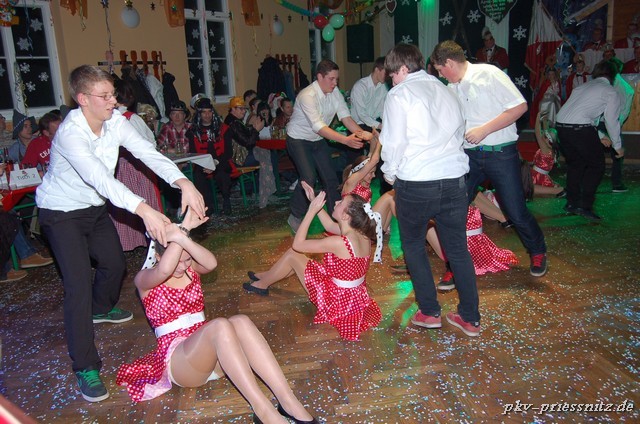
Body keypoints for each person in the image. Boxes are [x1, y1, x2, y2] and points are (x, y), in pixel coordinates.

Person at [36, 65, 205, 403]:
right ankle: (85, 366)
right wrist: (145, 210)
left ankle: (100, 308)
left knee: (115, 265)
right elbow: (102, 179)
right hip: (61, 212)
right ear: (83, 99)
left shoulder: (115, 122)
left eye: (113, 94)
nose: (113, 101)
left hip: (94, 209)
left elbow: (147, 153)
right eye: (105, 96)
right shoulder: (70, 134)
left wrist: (183, 181)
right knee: (78, 285)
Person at [116, 210, 317, 424]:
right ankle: (263, 410)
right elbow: (164, 270)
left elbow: (211, 264)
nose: (183, 266)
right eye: (178, 262)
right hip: (181, 362)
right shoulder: (145, 279)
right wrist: (183, 228)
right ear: (158, 256)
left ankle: (288, 401)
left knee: (240, 321)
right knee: (220, 325)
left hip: (214, 355)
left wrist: (183, 237)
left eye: (187, 260)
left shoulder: (190, 269)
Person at [380, 43, 480, 337]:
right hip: (454, 181)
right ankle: (470, 318)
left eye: (392, 76)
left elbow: (394, 142)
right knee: (458, 250)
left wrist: (389, 174)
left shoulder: (399, 94)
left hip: (417, 182)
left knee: (413, 246)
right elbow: (460, 133)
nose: (392, 82)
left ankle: (429, 312)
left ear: (402, 69)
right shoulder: (446, 90)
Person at [432, 40, 548, 277]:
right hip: (469, 156)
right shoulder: (451, 88)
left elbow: (519, 107)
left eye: (440, 69)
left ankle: (538, 251)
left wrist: (484, 130)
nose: (440, 75)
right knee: (453, 211)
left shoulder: (489, 74)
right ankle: (454, 265)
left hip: (501, 154)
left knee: (515, 211)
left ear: (449, 63)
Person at [243, 183, 382, 341]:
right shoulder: (361, 233)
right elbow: (329, 225)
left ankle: (262, 284)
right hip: (353, 298)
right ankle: (267, 276)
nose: (337, 202)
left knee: (293, 254)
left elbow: (298, 245)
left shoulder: (339, 242)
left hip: (335, 300)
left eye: (341, 203)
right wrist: (313, 200)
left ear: (346, 216)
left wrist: (311, 211)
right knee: (296, 258)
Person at [286, 59, 366, 232]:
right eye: (331, 79)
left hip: (317, 140)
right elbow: (319, 127)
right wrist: (345, 140)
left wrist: (363, 134)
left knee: (330, 178)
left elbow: (345, 117)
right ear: (319, 77)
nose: (335, 83)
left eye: (336, 79)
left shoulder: (334, 92)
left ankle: (336, 220)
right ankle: (295, 215)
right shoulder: (307, 96)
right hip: (298, 139)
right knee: (309, 177)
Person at [555, 60, 623, 222]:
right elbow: (611, 120)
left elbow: (578, 114)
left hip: (561, 127)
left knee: (576, 164)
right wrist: (618, 145)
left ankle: (572, 203)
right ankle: (584, 206)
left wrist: (600, 136)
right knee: (597, 166)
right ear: (613, 76)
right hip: (580, 129)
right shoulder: (610, 91)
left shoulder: (582, 87)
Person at [109, 79, 163, 251]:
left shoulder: (113, 119)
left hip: (122, 168)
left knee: (125, 203)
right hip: (134, 167)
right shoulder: (130, 119)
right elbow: (150, 142)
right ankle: (151, 239)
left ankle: (131, 241)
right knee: (142, 201)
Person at [350, 56, 391, 196]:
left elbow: (382, 110)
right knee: (356, 160)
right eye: (385, 72)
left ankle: (385, 189)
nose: (387, 76)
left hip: (373, 123)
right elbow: (361, 114)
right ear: (377, 70)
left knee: (384, 149)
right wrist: (379, 125)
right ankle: (352, 188)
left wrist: (387, 125)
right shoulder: (360, 86)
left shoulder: (383, 87)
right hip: (357, 125)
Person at [601, 58, 634, 193]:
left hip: (601, 122)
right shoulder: (627, 88)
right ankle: (617, 183)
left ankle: (587, 180)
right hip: (614, 122)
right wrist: (617, 125)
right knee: (617, 154)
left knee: (594, 151)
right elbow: (625, 111)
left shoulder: (605, 84)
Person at [185, 97, 223, 215]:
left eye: (209, 112)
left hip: (220, 160)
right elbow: (193, 152)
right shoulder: (193, 131)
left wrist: (215, 163)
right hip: (201, 162)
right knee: (198, 175)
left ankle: (226, 203)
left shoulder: (221, 128)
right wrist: (206, 164)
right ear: (199, 114)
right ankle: (206, 206)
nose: (207, 115)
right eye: (204, 112)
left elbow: (226, 152)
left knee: (223, 173)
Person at [530, 112, 565, 197]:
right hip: (542, 175)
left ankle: (557, 191)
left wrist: (538, 118)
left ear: (547, 140)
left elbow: (537, 133)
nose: (543, 134)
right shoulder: (552, 149)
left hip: (537, 176)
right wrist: (544, 121)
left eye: (545, 136)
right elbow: (546, 130)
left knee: (527, 188)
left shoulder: (545, 149)